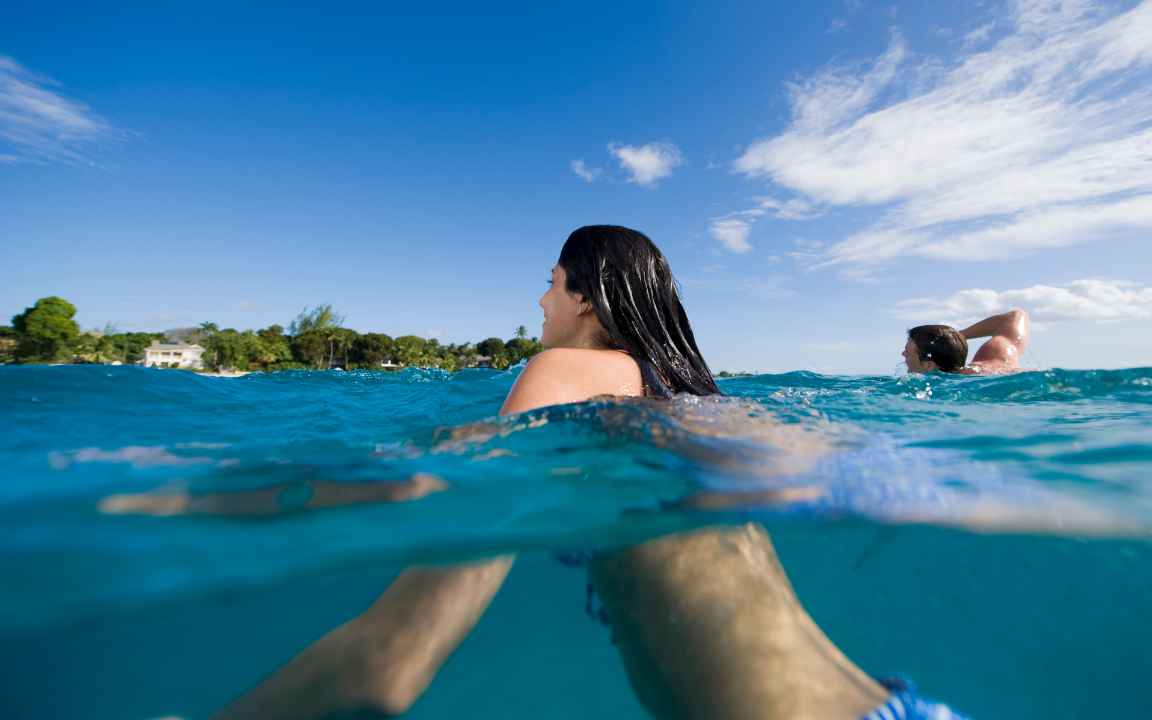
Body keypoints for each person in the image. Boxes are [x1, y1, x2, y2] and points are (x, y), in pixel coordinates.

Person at [110, 226, 963, 719]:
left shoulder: (565, 374)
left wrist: (175, 492)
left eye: (550, 287)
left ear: (585, 298)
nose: (541, 306)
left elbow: (388, 665)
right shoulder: (689, 395)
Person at [902, 309, 1029, 375]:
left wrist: (950, 337)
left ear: (928, 366)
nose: (903, 354)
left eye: (907, 351)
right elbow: (1014, 317)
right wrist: (951, 338)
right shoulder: (994, 359)